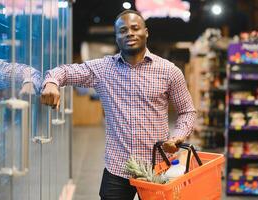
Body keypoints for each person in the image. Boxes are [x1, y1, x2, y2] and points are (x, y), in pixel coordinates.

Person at [41, 10, 196, 200]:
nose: (129, 33)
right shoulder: (102, 69)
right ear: (116, 37)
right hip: (117, 168)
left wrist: (177, 137)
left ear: (146, 32)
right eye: (123, 30)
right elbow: (63, 72)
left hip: (158, 166)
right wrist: (51, 83)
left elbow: (187, 111)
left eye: (135, 28)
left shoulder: (169, 71)